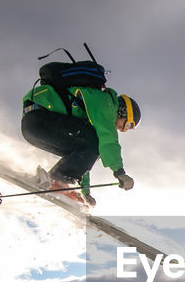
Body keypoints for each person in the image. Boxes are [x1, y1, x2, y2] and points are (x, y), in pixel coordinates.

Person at [21, 67, 140, 207]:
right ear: (123, 111)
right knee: (96, 142)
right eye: (127, 125)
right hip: (39, 120)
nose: (122, 130)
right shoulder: (106, 103)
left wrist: (85, 192)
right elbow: (108, 141)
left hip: (33, 126)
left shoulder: (95, 115)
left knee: (88, 146)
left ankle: (53, 182)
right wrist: (120, 172)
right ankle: (58, 182)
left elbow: (82, 158)